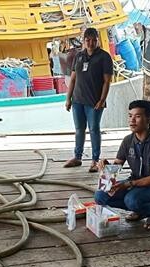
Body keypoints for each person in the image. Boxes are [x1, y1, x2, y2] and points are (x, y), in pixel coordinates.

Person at [94, 100, 150, 231]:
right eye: (130, 116)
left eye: (137, 116)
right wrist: (106, 166)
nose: (132, 120)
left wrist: (128, 185)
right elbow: (116, 167)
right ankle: (140, 210)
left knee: (131, 199)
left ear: (148, 119)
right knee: (100, 196)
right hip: (134, 182)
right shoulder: (128, 140)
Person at [64, 27, 114, 173]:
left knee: (94, 129)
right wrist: (68, 98)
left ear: (97, 40)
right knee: (79, 129)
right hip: (78, 100)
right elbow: (73, 79)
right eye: (87, 40)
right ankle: (77, 157)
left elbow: (107, 81)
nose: (91, 43)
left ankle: (95, 160)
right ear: (84, 41)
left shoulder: (104, 57)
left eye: (93, 40)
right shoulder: (79, 56)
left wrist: (102, 100)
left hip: (94, 101)